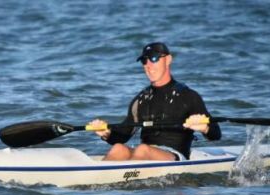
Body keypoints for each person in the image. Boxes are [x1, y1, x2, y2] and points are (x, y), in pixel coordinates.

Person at [88, 42, 221, 161]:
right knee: (118, 148)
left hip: (175, 156)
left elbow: (216, 134)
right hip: (145, 152)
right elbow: (123, 135)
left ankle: (126, 177)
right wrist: (107, 133)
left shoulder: (188, 96)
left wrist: (205, 128)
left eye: (154, 59)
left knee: (142, 149)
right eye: (145, 61)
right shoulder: (141, 100)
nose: (149, 66)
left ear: (168, 59)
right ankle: (95, 179)